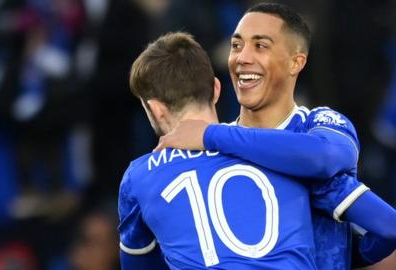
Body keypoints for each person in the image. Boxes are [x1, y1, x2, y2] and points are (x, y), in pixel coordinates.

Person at [118, 32, 392, 270]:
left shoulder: (139, 175)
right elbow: (389, 227)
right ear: (216, 89)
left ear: (155, 109)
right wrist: (342, 253)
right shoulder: (282, 155)